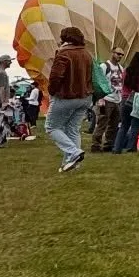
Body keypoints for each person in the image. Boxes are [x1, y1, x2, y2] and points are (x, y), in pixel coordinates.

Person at [45, 27, 93, 174]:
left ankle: (73, 153)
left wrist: (52, 92)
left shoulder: (64, 54)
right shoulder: (87, 54)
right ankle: (70, 163)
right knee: (73, 129)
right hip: (85, 97)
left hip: (66, 96)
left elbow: (56, 77)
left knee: (52, 127)